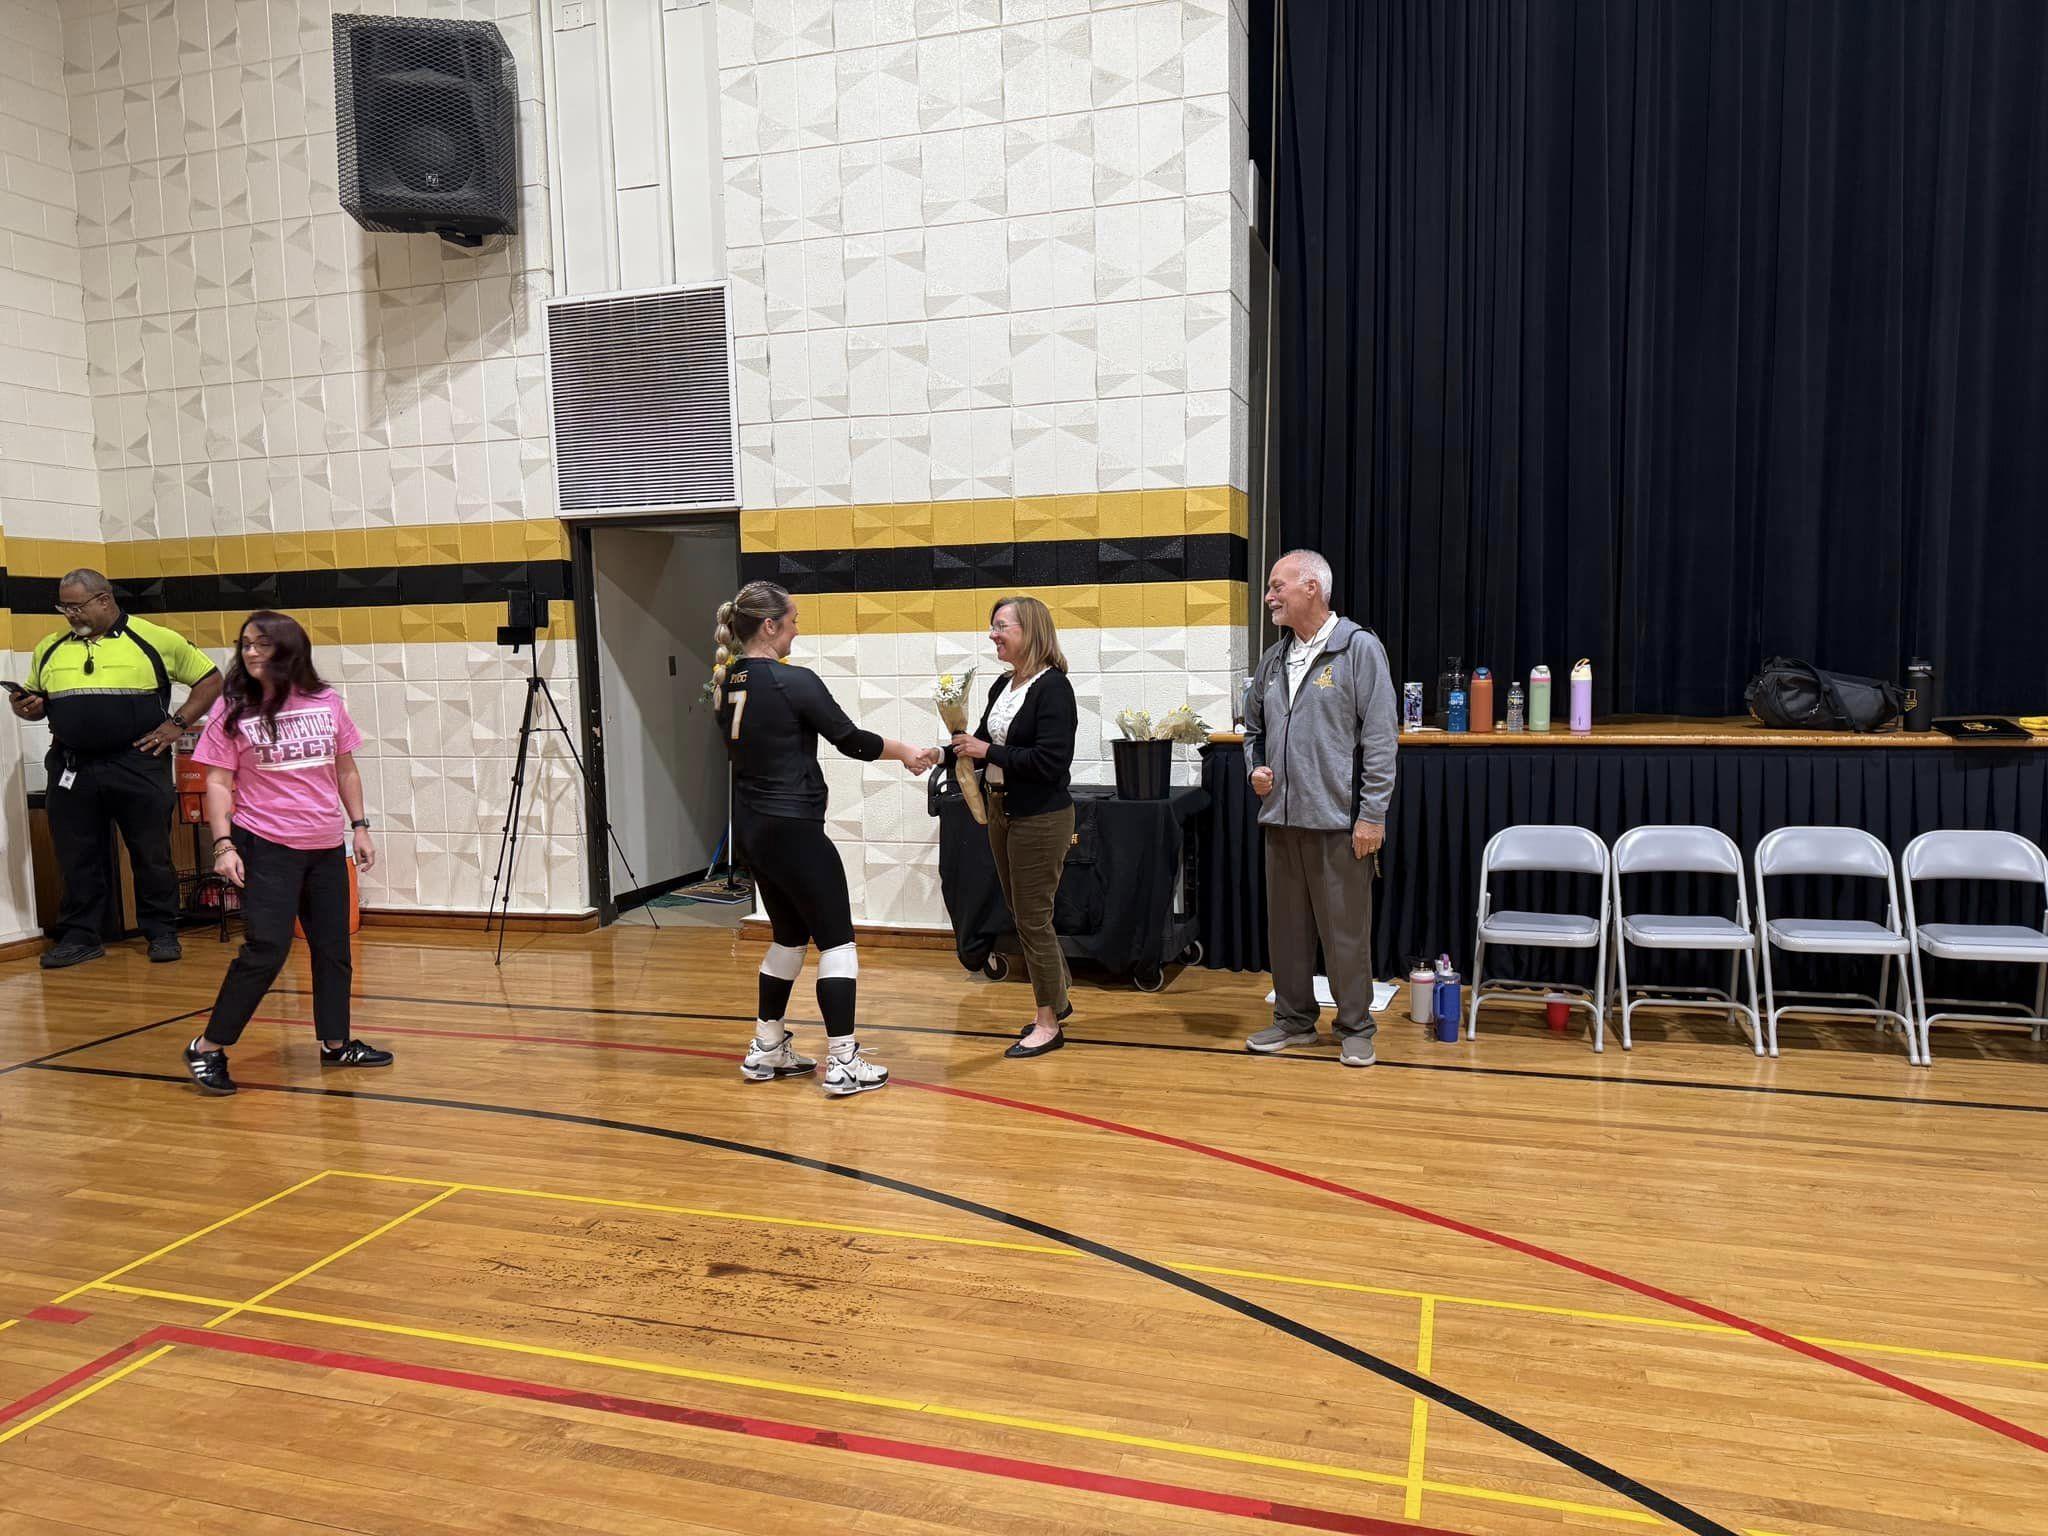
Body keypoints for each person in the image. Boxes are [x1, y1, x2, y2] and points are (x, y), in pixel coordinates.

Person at [713, 581, 938, 1096]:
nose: (798, 628)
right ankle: (843, 1061)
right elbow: (853, 741)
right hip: (794, 828)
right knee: (838, 940)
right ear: (769, 626)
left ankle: (767, 1048)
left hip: (752, 830)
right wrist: (905, 750)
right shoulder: (795, 682)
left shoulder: (724, 681)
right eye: (792, 620)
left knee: (789, 938)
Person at [180, 612, 391, 1096]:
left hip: (324, 845)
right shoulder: (232, 711)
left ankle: (336, 1043)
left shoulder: (325, 701)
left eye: (262, 644)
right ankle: (208, 1047)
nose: (250, 653)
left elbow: (346, 769)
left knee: (334, 949)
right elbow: (217, 781)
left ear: (289, 650)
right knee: (266, 950)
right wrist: (223, 843)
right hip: (265, 845)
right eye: (245, 645)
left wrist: (360, 827)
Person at [9, 569, 223, 968]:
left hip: (137, 762)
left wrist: (176, 725)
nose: (69, 614)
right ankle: (81, 936)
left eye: (76, 606)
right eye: (64, 607)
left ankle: (161, 931)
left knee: (150, 853)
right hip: (73, 766)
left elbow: (211, 680)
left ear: (104, 599)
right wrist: (27, 706)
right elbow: (36, 700)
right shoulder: (50, 647)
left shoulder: (155, 639)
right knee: (77, 855)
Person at [1242, 550, 1398, 1067]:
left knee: (1344, 933)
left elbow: (1380, 741)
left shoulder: (1358, 648)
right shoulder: (1272, 658)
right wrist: (1255, 768)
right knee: (1285, 933)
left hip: (1338, 822)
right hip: (1281, 821)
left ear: (1312, 587)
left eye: (1276, 585)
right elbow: (1255, 733)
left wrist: (1371, 815)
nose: (1269, 596)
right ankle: (1293, 1020)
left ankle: (1355, 1026)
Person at [948, 596, 1079, 1059]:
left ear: (1031, 631)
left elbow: (1049, 762)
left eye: (1002, 626)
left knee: (1032, 919)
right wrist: (943, 752)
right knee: (1023, 914)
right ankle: (1057, 1001)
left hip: (1041, 817)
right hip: (1001, 812)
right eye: (992, 625)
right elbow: (981, 742)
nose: (993, 634)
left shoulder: (1053, 689)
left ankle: (1048, 1024)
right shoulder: (1003, 685)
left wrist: (987, 753)